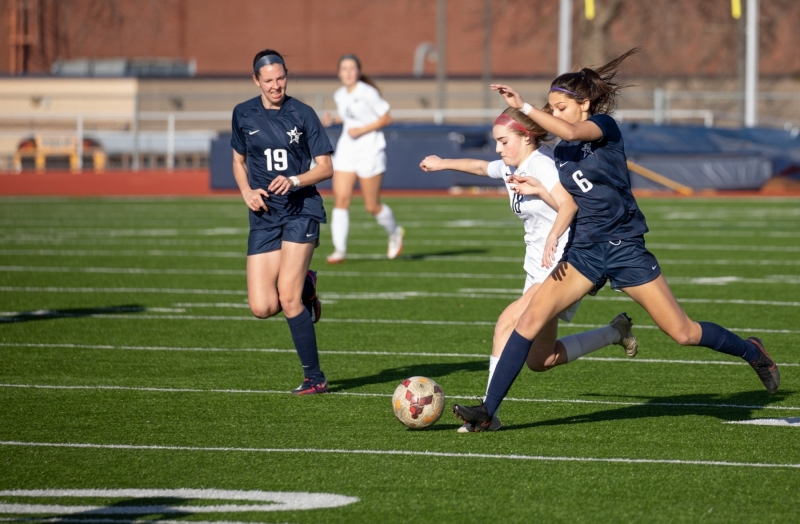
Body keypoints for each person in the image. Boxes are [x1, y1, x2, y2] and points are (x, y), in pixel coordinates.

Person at [452, 48, 780, 431]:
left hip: (624, 248)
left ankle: (751, 351)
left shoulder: (604, 127)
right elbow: (572, 197)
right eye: (552, 109)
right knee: (528, 320)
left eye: (560, 107)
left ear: (584, 103)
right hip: (585, 252)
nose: (556, 115)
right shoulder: (562, 150)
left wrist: (523, 105)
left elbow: (573, 130)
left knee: (683, 333)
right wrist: (541, 192)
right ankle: (487, 411)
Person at [420, 107, 638, 432]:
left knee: (507, 322)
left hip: (564, 263)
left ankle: (486, 413)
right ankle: (615, 332)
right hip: (536, 268)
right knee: (541, 359)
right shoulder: (515, 162)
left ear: (526, 136)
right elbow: (481, 167)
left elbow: (571, 205)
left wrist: (552, 232)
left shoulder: (542, 164)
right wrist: (442, 163)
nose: (498, 149)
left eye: (503, 141)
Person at [231, 49, 333, 395]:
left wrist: (294, 181)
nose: (276, 86)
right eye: (269, 80)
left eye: (281, 78)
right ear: (256, 80)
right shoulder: (242, 114)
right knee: (263, 307)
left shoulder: (302, 114)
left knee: (288, 300)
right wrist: (245, 191)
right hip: (263, 215)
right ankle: (308, 286)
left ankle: (314, 378)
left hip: (300, 210)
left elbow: (325, 167)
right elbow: (237, 160)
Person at [322, 54, 404, 263]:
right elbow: (351, 116)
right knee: (341, 199)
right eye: (344, 69)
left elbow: (386, 118)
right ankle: (339, 250)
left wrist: (362, 130)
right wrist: (335, 119)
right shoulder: (340, 94)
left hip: (370, 150)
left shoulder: (368, 92)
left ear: (358, 71)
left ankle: (394, 232)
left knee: (371, 205)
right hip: (347, 150)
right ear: (339, 73)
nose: (348, 72)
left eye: (352, 68)